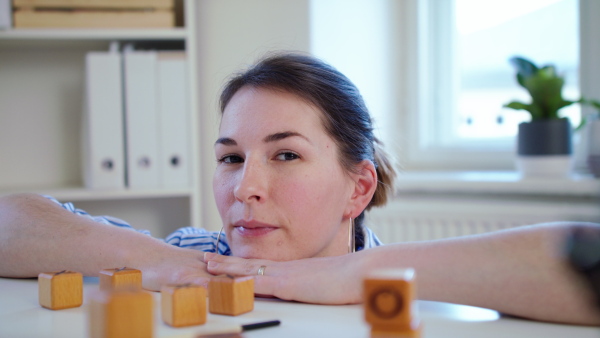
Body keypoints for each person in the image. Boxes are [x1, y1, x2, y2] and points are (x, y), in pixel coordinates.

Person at [0, 52, 598, 326]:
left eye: (285, 154)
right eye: (230, 158)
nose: (245, 188)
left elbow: (578, 264)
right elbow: (13, 223)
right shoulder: (195, 253)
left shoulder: (415, 293)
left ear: (358, 188)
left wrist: (321, 281)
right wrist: (164, 262)